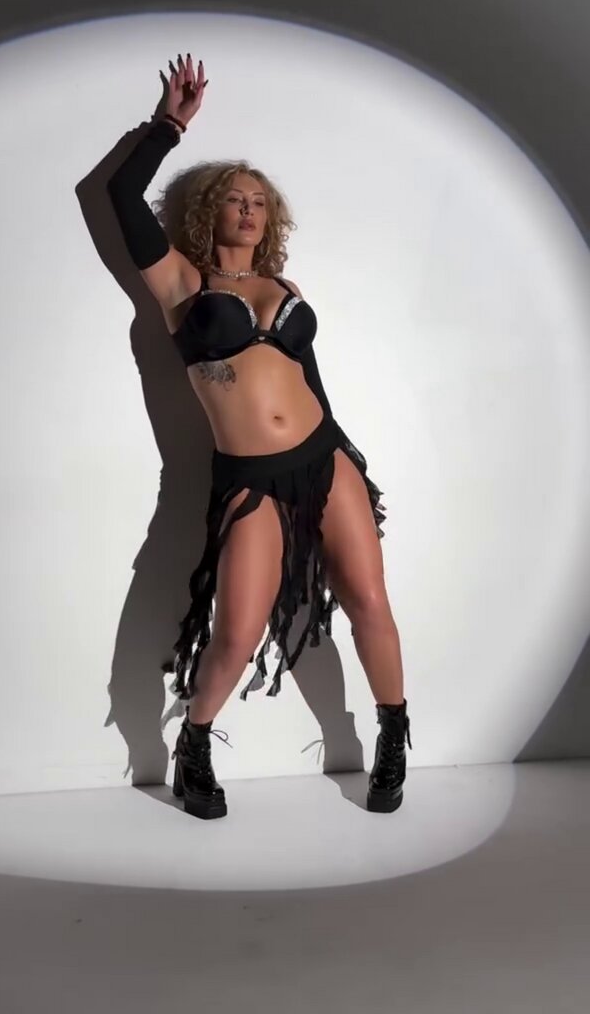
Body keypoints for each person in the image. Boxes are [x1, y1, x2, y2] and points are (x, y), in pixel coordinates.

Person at [106, 52, 411, 821]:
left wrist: (348, 462)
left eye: (259, 202)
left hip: (323, 457)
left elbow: (310, 380)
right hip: (249, 478)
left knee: (368, 599)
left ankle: (392, 735)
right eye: (235, 199)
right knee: (237, 631)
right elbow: (118, 195)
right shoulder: (182, 283)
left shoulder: (286, 288)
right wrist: (168, 124)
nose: (248, 209)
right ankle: (194, 744)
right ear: (210, 211)